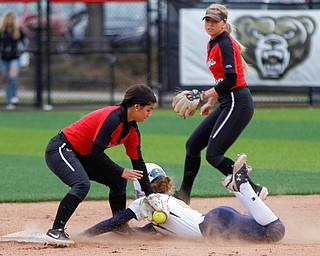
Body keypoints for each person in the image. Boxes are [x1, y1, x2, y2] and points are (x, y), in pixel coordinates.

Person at [173, 4, 268, 204]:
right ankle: (184, 194)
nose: (210, 24)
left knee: (214, 154)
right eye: (207, 20)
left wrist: (202, 95)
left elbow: (232, 81)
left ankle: (254, 189)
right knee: (192, 145)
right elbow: (221, 78)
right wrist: (211, 101)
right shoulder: (212, 43)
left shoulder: (225, 43)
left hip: (237, 102)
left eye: (215, 21)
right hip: (228, 102)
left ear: (224, 23)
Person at [44, 84, 157, 246]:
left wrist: (150, 195)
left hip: (83, 155)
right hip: (61, 148)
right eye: (149, 109)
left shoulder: (132, 131)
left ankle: (119, 226)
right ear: (137, 107)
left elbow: (138, 163)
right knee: (82, 184)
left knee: (118, 181)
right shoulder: (112, 118)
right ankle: (55, 231)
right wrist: (120, 170)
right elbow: (96, 153)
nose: (149, 114)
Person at [84, 157, 285, 243]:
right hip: (217, 219)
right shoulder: (164, 204)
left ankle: (242, 185)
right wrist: (128, 234)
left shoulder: (147, 202)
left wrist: (84, 235)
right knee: (264, 228)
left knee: (274, 231)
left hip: (214, 225)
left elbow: (113, 222)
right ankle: (238, 191)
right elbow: (143, 232)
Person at [0, 11, 28, 110]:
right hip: (3, 59)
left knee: (13, 76)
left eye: (11, 18)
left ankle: (14, 97)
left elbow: (25, 42)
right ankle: (9, 99)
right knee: (6, 79)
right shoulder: (2, 31)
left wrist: (22, 52)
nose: (9, 20)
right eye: (8, 18)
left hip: (14, 59)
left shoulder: (18, 30)